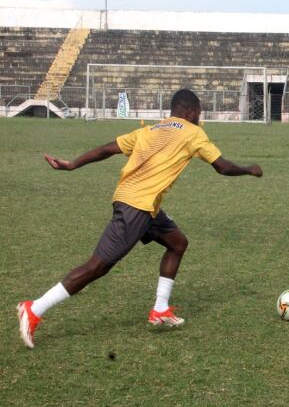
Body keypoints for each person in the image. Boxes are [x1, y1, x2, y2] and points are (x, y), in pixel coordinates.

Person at [16, 89, 263, 348]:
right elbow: (221, 166)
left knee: (178, 243)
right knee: (97, 267)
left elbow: (106, 149)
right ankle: (34, 308)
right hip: (136, 208)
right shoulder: (193, 133)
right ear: (190, 111)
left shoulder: (150, 131)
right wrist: (249, 169)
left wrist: (73, 164)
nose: (199, 118)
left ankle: (160, 308)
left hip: (142, 204)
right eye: (199, 112)